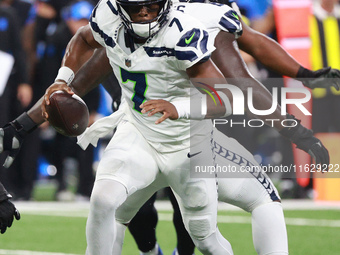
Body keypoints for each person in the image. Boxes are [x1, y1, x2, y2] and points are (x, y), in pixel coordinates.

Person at [0, 1, 330, 255]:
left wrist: (298, 121)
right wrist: (60, 85)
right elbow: (91, 48)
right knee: (104, 201)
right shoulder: (111, 16)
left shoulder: (188, 25)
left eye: (151, 6)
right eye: (136, 7)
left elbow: (235, 86)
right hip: (137, 129)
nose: (144, 14)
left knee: (207, 234)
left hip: (188, 139)